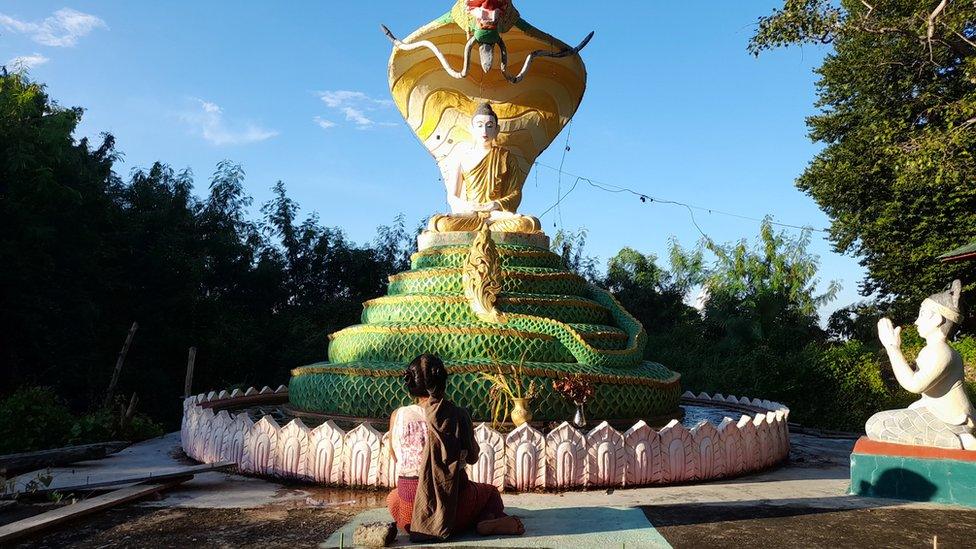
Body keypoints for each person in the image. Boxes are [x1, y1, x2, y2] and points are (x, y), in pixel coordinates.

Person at [386, 353, 525, 541]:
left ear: (410, 384)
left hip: (409, 516)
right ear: (443, 381)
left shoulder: (398, 415)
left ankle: (416, 525)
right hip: (451, 514)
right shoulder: (458, 415)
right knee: (490, 492)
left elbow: (395, 457)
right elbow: (472, 457)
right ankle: (486, 520)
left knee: (393, 498)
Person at [868, 280, 975, 449]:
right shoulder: (933, 350)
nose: (916, 321)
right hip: (938, 414)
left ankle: (958, 441)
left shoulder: (942, 352)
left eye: (922, 314)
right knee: (884, 421)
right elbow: (928, 393)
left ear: (937, 319)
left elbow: (914, 385)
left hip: (951, 421)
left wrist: (892, 348)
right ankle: (956, 438)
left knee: (876, 425)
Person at [427, 103, 541, 234]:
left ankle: (489, 223)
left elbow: (515, 194)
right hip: (471, 215)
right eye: (480, 126)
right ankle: (482, 223)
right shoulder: (462, 158)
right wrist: (468, 207)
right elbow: (452, 197)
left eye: (489, 126)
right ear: (472, 128)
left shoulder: (505, 157)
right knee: (440, 224)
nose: (485, 131)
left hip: (496, 217)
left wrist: (496, 205)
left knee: (529, 224)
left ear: (497, 130)